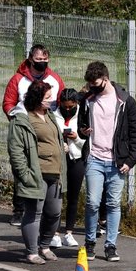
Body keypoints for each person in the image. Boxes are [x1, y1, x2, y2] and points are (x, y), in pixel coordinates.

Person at [78, 61, 136, 262]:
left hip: (117, 161)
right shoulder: (88, 100)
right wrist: (83, 130)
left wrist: (130, 160)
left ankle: (110, 245)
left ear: (106, 79)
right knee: (93, 201)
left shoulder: (125, 102)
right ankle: (89, 242)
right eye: (90, 85)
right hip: (95, 158)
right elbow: (81, 123)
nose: (93, 88)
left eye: (96, 84)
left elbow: (135, 134)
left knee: (114, 203)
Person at [2, 44, 66, 226]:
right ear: (30, 59)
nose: (42, 63)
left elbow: (62, 102)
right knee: (22, 168)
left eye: (45, 60)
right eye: (38, 60)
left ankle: (46, 210)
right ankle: (19, 209)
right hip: (26, 129)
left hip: (48, 130)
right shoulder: (18, 80)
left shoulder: (55, 80)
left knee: (48, 172)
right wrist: (18, 121)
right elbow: (8, 103)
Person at [8, 80, 67, 265]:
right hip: (36, 174)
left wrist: (60, 146)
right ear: (36, 98)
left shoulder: (49, 115)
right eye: (47, 98)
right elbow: (16, 150)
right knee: (34, 213)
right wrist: (25, 174)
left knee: (54, 212)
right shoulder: (22, 119)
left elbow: (52, 138)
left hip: (55, 172)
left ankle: (45, 245)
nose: (51, 101)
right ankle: (32, 252)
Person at [50, 88, 85, 249]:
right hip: (59, 159)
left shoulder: (83, 116)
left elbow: (89, 143)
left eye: (71, 107)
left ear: (76, 103)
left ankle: (69, 232)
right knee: (57, 195)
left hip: (77, 158)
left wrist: (76, 138)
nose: (68, 109)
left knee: (73, 196)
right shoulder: (53, 114)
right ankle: (55, 233)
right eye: (65, 107)